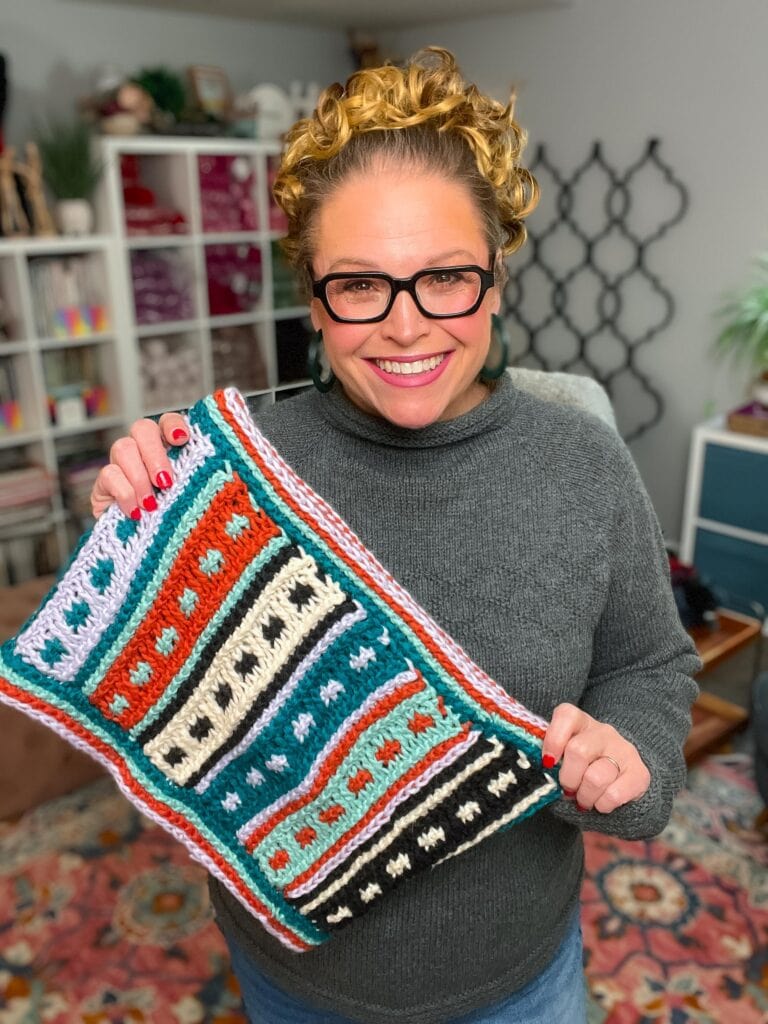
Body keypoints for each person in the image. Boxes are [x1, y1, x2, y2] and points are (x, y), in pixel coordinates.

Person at [90, 47, 700, 1024]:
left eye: (446, 278)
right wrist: (145, 531)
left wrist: (631, 750)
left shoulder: (581, 464)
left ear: (496, 279)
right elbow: (163, 707)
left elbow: (649, 661)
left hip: (520, 983)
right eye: (361, 285)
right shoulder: (240, 472)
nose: (407, 327)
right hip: (294, 980)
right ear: (315, 298)